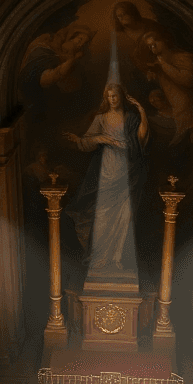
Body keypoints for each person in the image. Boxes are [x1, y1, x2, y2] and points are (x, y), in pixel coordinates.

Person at [63, 83, 150, 274]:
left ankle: (117, 258)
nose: (112, 100)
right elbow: (87, 142)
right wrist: (102, 139)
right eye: (109, 96)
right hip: (107, 173)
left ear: (121, 96)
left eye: (115, 96)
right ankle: (100, 257)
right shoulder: (101, 119)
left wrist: (142, 110)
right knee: (102, 216)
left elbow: (140, 139)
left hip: (127, 173)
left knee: (124, 217)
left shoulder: (131, 118)